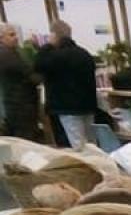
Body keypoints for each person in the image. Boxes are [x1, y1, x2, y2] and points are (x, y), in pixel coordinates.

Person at [34, 20, 97, 149]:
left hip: (66, 109)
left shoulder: (55, 56)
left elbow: (38, 65)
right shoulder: (84, 54)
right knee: (91, 145)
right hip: (87, 106)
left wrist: (46, 46)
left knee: (75, 147)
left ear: (54, 35)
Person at [0, 23, 40, 141]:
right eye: (11, 35)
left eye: (15, 34)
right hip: (20, 106)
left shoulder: (12, 52)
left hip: (17, 104)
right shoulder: (6, 54)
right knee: (26, 142)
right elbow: (29, 73)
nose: (16, 37)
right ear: (1, 38)